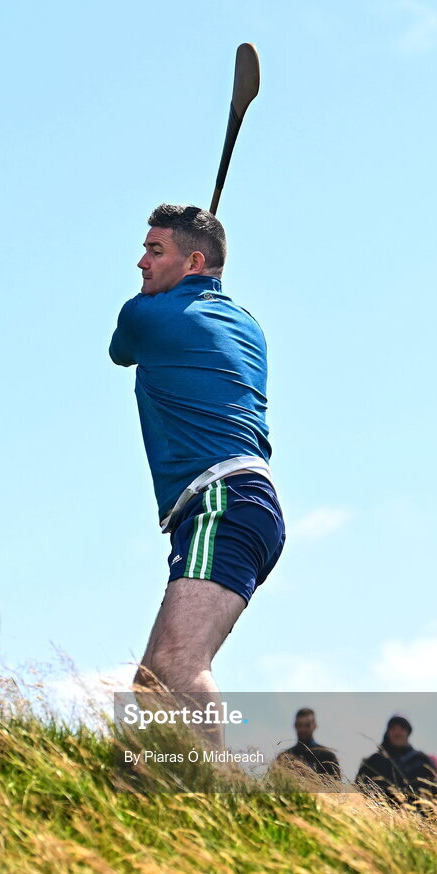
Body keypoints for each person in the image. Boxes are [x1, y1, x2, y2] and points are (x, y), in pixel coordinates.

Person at [109, 205, 285, 710]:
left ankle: (216, 789)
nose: (141, 262)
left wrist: (166, 294)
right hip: (247, 504)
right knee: (152, 687)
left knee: (177, 665)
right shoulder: (248, 324)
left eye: (154, 250)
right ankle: (150, 788)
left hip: (221, 501)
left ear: (193, 261)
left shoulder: (146, 316)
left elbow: (121, 352)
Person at [355, 715, 437, 815]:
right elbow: (358, 789)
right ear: (388, 732)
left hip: (417, 821)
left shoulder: (421, 760)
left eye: (402, 729)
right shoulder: (374, 761)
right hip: (378, 818)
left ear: (408, 733)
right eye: (393, 728)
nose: (397, 733)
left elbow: (436, 794)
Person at [275, 707, 341, 778]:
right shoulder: (283, 757)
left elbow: (336, 787)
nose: (303, 729)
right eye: (300, 725)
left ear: (315, 726)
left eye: (307, 725)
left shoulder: (328, 757)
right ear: (295, 726)